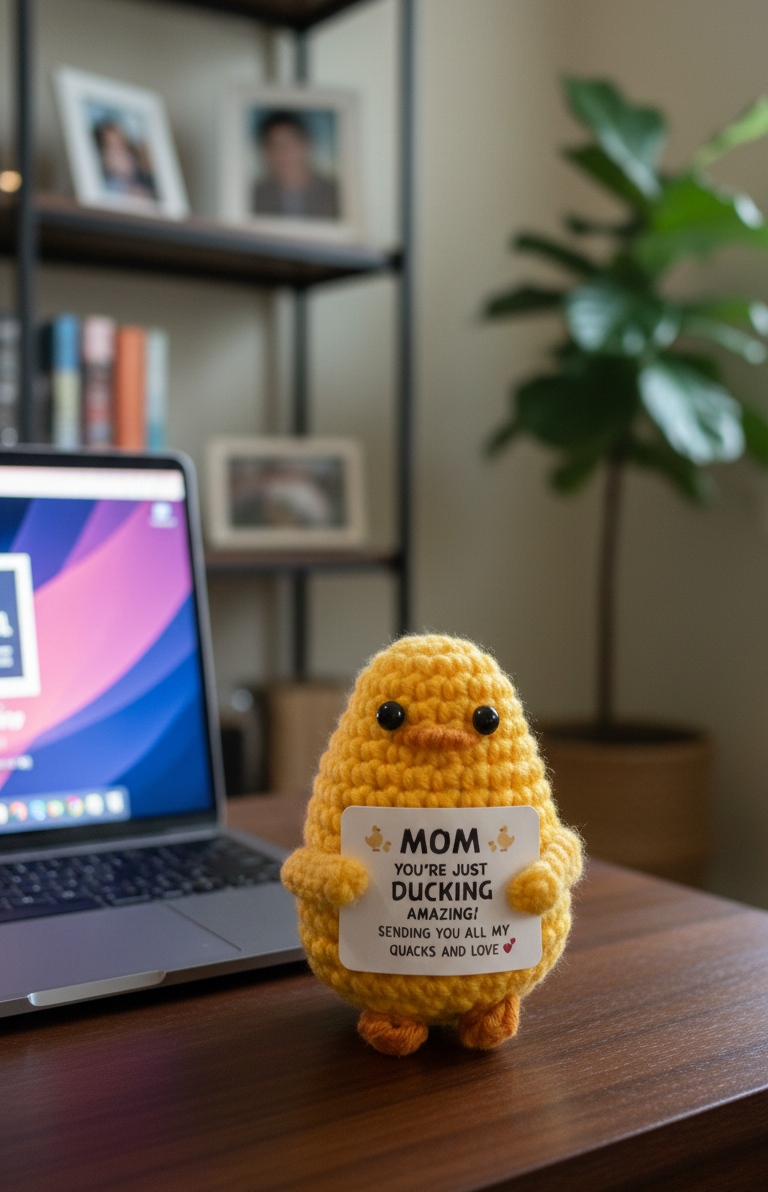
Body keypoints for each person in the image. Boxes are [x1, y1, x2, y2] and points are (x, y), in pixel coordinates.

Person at [253, 111, 338, 220]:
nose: (283, 152)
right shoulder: (255, 196)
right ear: (265, 152)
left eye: (290, 143)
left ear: (307, 145)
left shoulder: (333, 193)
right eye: (275, 145)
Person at [92, 119, 157, 200]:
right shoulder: (103, 186)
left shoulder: (148, 181)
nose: (121, 152)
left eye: (121, 144)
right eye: (112, 147)